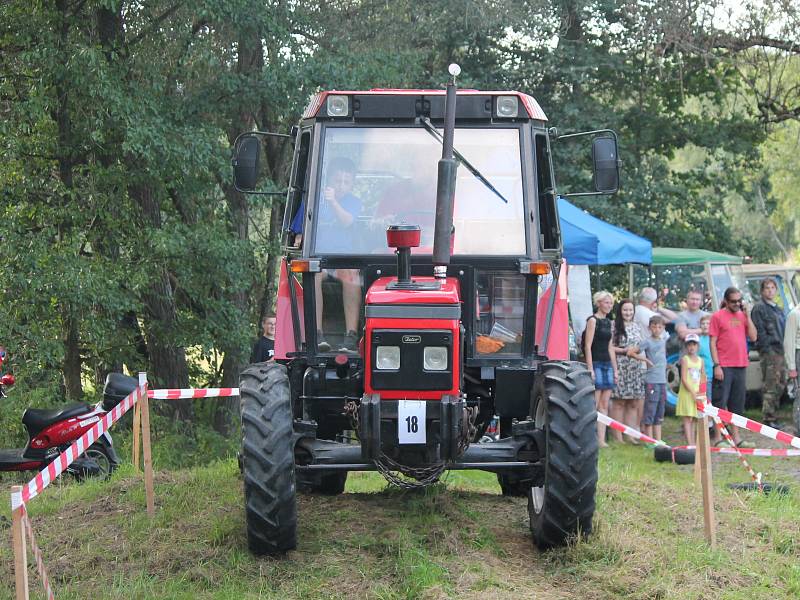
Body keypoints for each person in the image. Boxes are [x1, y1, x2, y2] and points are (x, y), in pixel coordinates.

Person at [289, 157, 362, 352]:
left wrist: (334, 202)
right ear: (330, 180)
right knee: (313, 275)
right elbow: (299, 232)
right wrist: (300, 236)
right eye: (338, 181)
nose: (342, 185)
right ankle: (317, 334)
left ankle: (351, 336)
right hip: (320, 258)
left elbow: (347, 221)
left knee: (351, 277)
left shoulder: (354, 202)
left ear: (353, 183)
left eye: (347, 182)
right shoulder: (313, 200)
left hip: (344, 259)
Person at [709, 286, 757, 446]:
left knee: (737, 403)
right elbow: (712, 342)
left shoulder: (743, 316)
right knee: (720, 402)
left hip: (741, 364)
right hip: (724, 365)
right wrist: (716, 365)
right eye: (733, 301)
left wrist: (748, 316)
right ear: (726, 301)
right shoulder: (717, 317)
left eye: (739, 301)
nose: (737, 304)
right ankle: (718, 437)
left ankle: (736, 438)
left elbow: (753, 336)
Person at [610, 299, 650, 443]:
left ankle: (630, 433)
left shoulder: (637, 326)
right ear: (620, 311)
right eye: (625, 310)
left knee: (633, 403)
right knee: (619, 402)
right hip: (621, 366)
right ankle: (617, 436)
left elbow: (643, 345)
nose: (628, 313)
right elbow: (610, 348)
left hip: (636, 367)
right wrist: (624, 350)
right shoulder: (614, 326)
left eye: (630, 310)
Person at [751, 278, 787, 428]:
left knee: (781, 383)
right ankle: (768, 418)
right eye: (767, 288)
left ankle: (774, 414)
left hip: (781, 350)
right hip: (770, 351)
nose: (770, 290)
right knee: (771, 384)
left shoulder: (778, 308)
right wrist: (766, 349)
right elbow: (759, 331)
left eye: (773, 288)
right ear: (762, 291)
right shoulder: (759, 308)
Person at [583, 290, 617, 448]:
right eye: (606, 302)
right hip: (596, 362)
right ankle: (589, 437)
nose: (609, 305)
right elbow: (587, 346)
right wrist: (590, 367)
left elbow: (611, 347)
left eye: (610, 303)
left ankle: (601, 440)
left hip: (607, 363)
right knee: (594, 403)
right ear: (599, 303)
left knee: (604, 403)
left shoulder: (609, 322)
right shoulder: (592, 320)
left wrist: (615, 369)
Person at [639, 315, 669, 443]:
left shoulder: (663, 341)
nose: (657, 329)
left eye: (659, 327)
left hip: (662, 380)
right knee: (650, 409)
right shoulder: (647, 341)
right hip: (652, 380)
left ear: (663, 328)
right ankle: (649, 440)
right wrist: (645, 359)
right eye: (654, 326)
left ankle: (658, 439)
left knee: (660, 410)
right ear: (650, 327)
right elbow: (631, 352)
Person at [676, 334, 706, 445]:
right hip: (687, 393)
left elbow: (703, 376)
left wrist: (702, 392)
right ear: (686, 346)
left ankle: (693, 442)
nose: (691, 347)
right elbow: (684, 378)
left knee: (694, 417)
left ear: (697, 346)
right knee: (687, 418)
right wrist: (693, 392)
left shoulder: (700, 360)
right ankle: (690, 443)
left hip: (697, 393)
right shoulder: (685, 360)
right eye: (689, 345)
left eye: (694, 344)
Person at [697, 314, 714, 403]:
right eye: (703, 324)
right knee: (707, 397)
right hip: (704, 374)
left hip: (715, 373)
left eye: (708, 324)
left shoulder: (715, 339)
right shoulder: (698, 340)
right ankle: (707, 416)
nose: (705, 326)